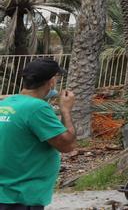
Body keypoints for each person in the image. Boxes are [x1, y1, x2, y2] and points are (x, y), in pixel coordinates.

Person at [0, 58, 77, 209]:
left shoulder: (6, 104)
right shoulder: (37, 108)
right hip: (21, 197)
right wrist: (66, 110)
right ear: (51, 81)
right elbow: (68, 145)